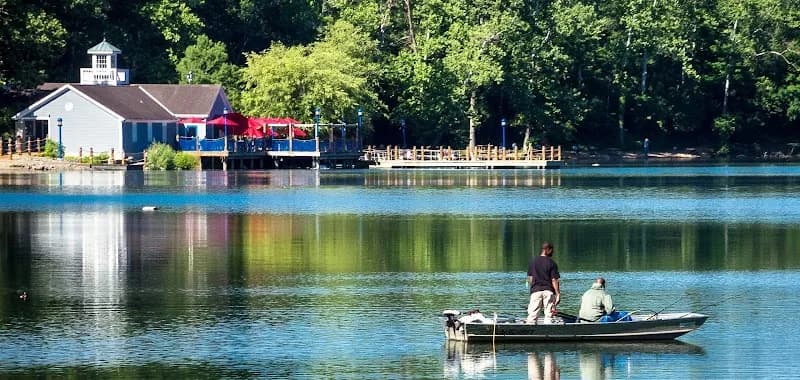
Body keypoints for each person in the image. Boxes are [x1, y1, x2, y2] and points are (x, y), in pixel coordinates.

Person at [526, 241, 561, 324]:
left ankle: (529, 332)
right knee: (549, 315)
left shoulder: (533, 262)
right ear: (547, 249)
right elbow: (554, 280)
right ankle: (547, 332)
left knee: (532, 315)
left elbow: (530, 278)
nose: (552, 252)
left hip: (536, 291)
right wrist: (558, 294)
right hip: (548, 291)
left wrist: (533, 289)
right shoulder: (552, 263)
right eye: (552, 250)